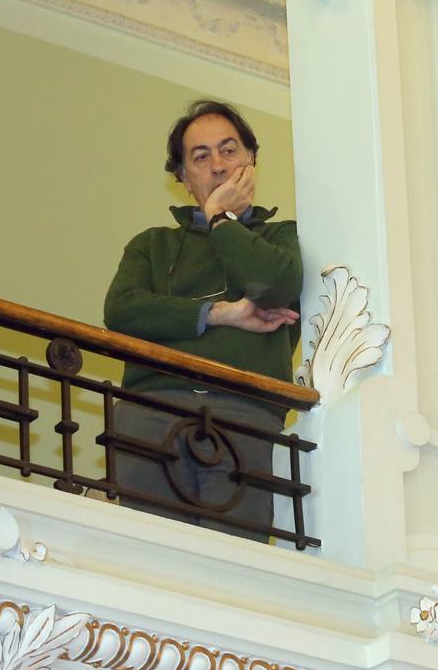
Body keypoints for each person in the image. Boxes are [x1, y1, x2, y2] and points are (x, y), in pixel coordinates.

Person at [103, 100, 301, 541]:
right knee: (152, 560)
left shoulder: (280, 237)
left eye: (229, 150)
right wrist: (220, 314)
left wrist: (220, 218)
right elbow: (123, 310)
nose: (217, 166)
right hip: (151, 411)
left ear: (252, 160)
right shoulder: (150, 246)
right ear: (182, 176)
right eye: (201, 156)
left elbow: (275, 287)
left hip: (245, 415)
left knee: (237, 566)